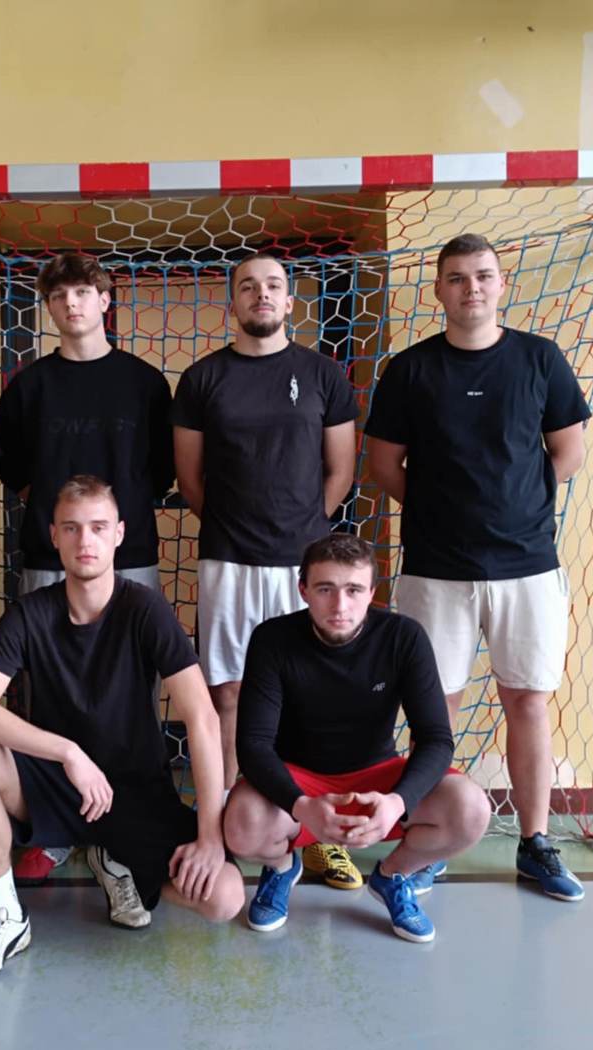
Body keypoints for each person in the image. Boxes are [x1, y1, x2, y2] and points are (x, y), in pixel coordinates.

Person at [365, 232, 592, 902]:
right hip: (436, 569)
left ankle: (535, 840)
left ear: (501, 284)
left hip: (528, 567)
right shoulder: (410, 370)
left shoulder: (539, 359)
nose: (472, 288)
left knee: (528, 699)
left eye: (484, 276)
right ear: (439, 289)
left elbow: (568, 451)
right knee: (436, 710)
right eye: (458, 278)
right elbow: (385, 465)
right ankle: (432, 839)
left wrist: (514, 509)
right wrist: (445, 512)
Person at [0, 476, 243, 985]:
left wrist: (210, 836)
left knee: (225, 897)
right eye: (72, 528)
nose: (85, 540)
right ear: (54, 535)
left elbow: (203, 717)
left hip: (133, 789)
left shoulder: (145, 608)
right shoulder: (31, 612)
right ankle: (8, 918)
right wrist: (68, 752)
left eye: (98, 527)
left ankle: (114, 858)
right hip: (55, 782)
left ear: (119, 534)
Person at [172, 253, 363, 890]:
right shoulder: (202, 379)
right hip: (228, 560)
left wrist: (303, 533)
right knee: (227, 694)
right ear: (233, 301)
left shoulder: (322, 374)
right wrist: (241, 527)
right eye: (248, 286)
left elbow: (340, 472)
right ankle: (231, 829)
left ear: (289, 301)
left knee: (305, 699)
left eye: (274, 286)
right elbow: (191, 480)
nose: (262, 295)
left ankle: (313, 838)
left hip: (302, 566)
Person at [0, 251, 174, 884]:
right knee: (44, 690)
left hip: (132, 558)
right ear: (48, 307)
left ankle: (128, 811)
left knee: (132, 690)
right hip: (49, 561)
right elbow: (12, 470)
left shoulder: (145, 383)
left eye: (83, 292)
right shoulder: (30, 387)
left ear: (105, 300)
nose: (71, 303)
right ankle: (56, 823)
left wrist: (109, 530)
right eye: (59, 295)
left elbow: (161, 469)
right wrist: (65, 524)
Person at [223, 533, 490, 941]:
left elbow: (436, 738)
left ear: (372, 593)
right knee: (241, 824)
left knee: (471, 809)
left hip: (377, 780)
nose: (340, 605)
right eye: (325, 589)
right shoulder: (273, 639)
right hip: (300, 782)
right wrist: (301, 805)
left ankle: (394, 875)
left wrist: (397, 802)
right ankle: (281, 867)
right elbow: (253, 745)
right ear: (303, 589)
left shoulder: (404, 637)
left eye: (353, 590)